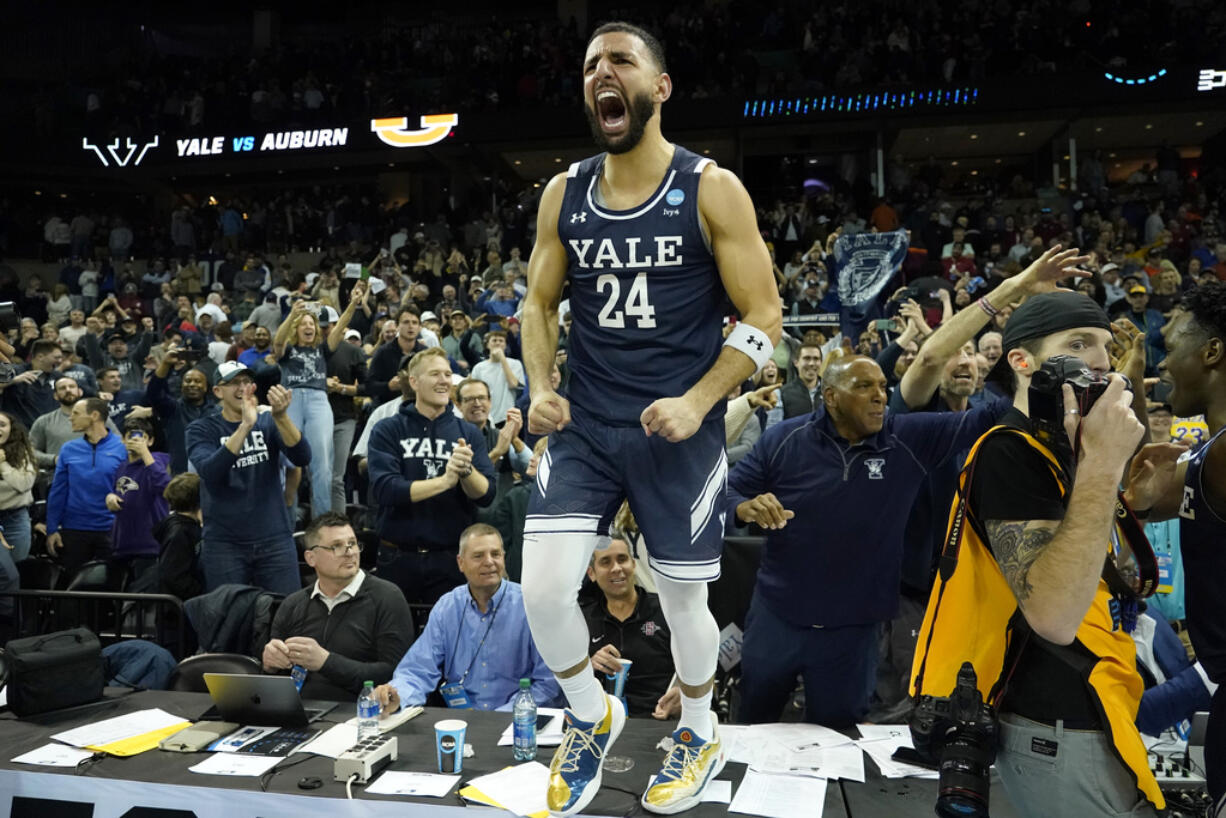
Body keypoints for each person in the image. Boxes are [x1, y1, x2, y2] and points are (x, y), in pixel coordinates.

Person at [518, 22, 782, 816]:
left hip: (680, 426)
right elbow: (537, 302)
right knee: (544, 592)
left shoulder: (711, 188)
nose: (603, 72)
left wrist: (702, 399)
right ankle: (592, 716)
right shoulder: (565, 190)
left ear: (659, 88)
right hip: (589, 423)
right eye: (592, 63)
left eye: (621, 60)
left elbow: (766, 310)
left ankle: (700, 729)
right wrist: (538, 383)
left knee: (680, 599)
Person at [910, 290, 1167, 816]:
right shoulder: (1011, 451)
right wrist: (1102, 466)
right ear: (1023, 363)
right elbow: (1052, 614)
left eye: (1104, 344)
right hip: (1057, 721)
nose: (1099, 359)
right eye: (1077, 343)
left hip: (1092, 699)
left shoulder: (1067, 447)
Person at [1130, 281, 1226, 810]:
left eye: (1170, 350)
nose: (1162, 366)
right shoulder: (1209, 452)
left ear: (1211, 351)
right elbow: (1138, 502)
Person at [373, 524, 559, 713]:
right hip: (462, 722)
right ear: (461, 563)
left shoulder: (530, 607)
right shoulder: (447, 607)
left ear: (504, 557)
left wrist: (500, 718)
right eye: (478, 556)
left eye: (495, 554)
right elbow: (417, 670)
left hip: (518, 722)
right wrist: (397, 695)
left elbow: (548, 683)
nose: (489, 562)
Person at [367, 348, 496, 604]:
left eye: (448, 374)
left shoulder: (468, 433)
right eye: (435, 373)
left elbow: (486, 494)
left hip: (451, 559)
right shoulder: (388, 429)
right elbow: (386, 489)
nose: (444, 380)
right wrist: (446, 481)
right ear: (414, 381)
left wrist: (466, 471)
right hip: (398, 556)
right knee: (399, 640)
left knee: (452, 640)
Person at [186, 362, 311, 594]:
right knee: (229, 618)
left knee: (285, 613)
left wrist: (282, 417)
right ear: (217, 391)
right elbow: (211, 472)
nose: (242, 388)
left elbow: (302, 456)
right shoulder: (201, 429)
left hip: (274, 538)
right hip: (225, 543)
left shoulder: (269, 421)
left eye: (246, 382)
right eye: (234, 382)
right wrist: (244, 427)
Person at [262, 512, 413, 701]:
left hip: (361, 713)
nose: (349, 552)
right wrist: (270, 665)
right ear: (311, 558)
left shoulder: (387, 597)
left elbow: (394, 673)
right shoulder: (292, 604)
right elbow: (278, 679)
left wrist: (326, 662)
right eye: (336, 546)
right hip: (299, 711)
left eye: (352, 543)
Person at [273, 290, 365, 521]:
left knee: (322, 465)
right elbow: (278, 341)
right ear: (296, 328)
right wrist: (292, 314)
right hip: (291, 400)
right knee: (288, 462)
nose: (308, 327)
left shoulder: (322, 349)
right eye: (303, 324)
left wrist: (353, 303)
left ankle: (323, 521)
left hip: (318, 401)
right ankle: (286, 518)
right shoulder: (287, 352)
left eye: (311, 323)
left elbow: (340, 326)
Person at [583, 537, 680, 720]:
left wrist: (684, 693)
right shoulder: (582, 620)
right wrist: (589, 666)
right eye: (606, 562)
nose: (617, 568)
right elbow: (566, 681)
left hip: (659, 719)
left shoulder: (667, 611)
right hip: (602, 723)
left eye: (622, 559)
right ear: (592, 573)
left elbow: (699, 663)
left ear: (633, 564)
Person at [45, 397, 127, 582]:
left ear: (94, 415)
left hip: (111, 529)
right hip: (74, 530)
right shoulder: (68, 449)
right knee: (74, 588)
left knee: (111, 586)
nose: (70, 418)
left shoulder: (123, 447)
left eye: (76, 413)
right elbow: (58, 491)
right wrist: (52, 529)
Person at [106, 416, 171, 587]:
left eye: (141, 437)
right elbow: (119, 491)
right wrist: (110, 497)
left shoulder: (158, 460)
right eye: (131, 436)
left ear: (150, 441)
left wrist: (145, 454)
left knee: (146, 602)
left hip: (150, 546)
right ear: (123, 440)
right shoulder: (121, 467)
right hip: (122, 545)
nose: (136, 441)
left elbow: (165, 487)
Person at [146, 346, 215, 475]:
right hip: (181, 476)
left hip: (211, 475)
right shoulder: (172, 409)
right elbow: (154, 393)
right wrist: (165, 364)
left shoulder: (216, 412)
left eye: (198, 381)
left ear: (206, 387)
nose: (192, 384)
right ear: (181, 386)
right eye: (188, 381)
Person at [0, 412, 37, 623]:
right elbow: (16, 486)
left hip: (15, 520)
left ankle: (14, 631)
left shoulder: (22, 451)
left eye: (2, 424)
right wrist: (10, 483)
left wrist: (2, 465)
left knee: (15, 577)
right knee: (5, 576)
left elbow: (23, 484)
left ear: (10, 429)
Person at [154, 473, 204, 601]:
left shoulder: (186, 526)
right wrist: (202, 593)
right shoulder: (179, 532)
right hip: (177, 609)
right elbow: (173, 575)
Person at [470, 330, 524, 425]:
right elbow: (474, 392)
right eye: (494, 340)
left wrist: (502, 359)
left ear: (505, 345)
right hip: (485, 416)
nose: (498, 343)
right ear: (487, 345)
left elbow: (513, 384)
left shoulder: (515, 364)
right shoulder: (479, 367)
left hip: (507, 416)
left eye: (501, 341)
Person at [779, 342, 822, 419]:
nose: (811, 363)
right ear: (796, 362)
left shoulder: (831, 392)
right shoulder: (782, 393)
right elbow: (774, 427)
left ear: (821, 362)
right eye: (807, 358)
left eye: (816, 359)